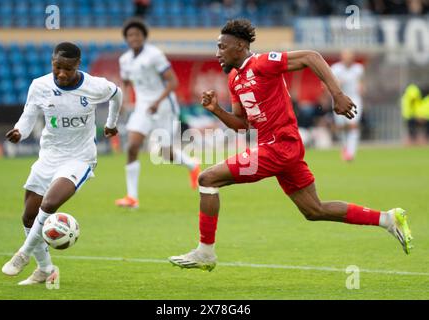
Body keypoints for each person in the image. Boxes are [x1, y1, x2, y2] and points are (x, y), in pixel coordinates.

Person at [168, 19, 413, 271]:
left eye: (222, 47)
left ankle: (206, 252)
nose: (217, 53)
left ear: (240, 45)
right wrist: (216, 110)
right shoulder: (234, 80)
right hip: (278, 148)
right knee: (314, 210)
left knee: (208, 178)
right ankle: (388, 219)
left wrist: (337, 95)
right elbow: (242, 125)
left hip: (279, 145)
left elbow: (311, 56)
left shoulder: (262, 63)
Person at [1, 42, 122, 284]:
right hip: (49, 156)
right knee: (28, 216)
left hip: (80, 157)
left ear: (78, 65)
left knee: (51, 202)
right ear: (52, 63)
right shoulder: (40, 85)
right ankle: (45, 269)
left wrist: (110, 123)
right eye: (57, 67)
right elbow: (29, 115)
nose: (62, 73)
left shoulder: (94, 86)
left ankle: (23, 254)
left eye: (67, 68)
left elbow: (117, 94)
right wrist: (19, 132)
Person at [115, 18, 200, 209]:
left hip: (164, 107)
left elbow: (173, 82)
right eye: (130, 35)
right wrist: (123, 102)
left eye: (137, 34)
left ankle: (192, 166)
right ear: (126, 39)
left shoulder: (155, 55)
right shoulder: (125, 60)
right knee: (132, 146)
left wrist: (157, 101)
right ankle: (132, 197)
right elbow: (126, 83)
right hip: (142, 107)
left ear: (144, 37)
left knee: (165, 153)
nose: (133, 37)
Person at [331, 49, 364, 161]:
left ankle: (351, 152)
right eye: (346, 56)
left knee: (353, 125)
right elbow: (330, 85)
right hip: (340, 99)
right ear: (342, 57)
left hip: (354, 99)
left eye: (350, 56)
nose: (348, 58)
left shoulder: (358, 69)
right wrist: (338, 84)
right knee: (341, 127)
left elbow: (361, 83)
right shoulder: (336, 68)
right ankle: (344, 147)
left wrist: (361, 88)